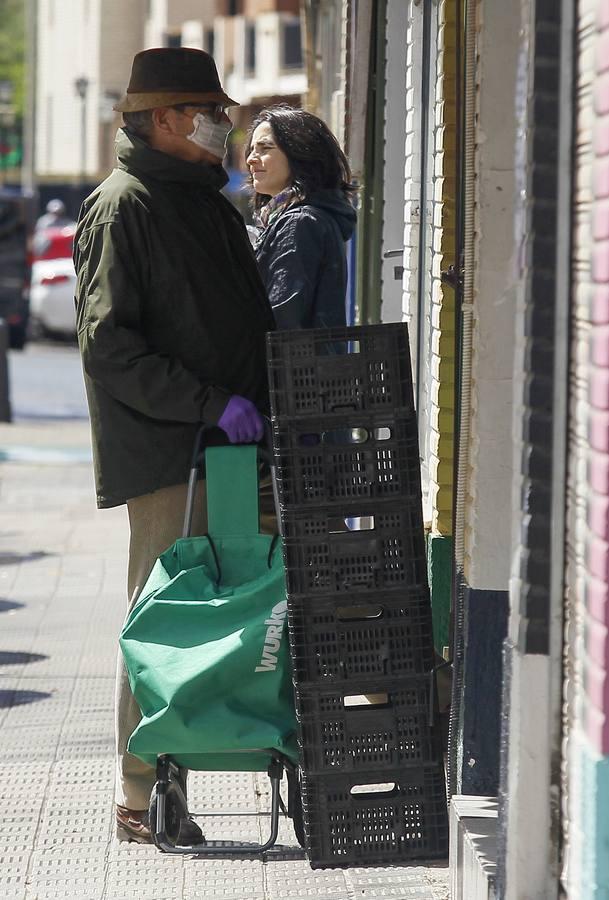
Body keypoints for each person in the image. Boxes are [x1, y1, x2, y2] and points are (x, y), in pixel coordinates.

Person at [73, 47, 276, 845]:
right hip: (171, 454)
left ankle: (181, 769)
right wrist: (207, 404)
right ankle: (138, 791)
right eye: (208, 111)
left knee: (216, 618)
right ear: (162, 118)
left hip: (226, 446)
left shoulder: (200, 200)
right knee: (161, 619)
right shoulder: (126, 204)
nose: (222, 124)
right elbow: (109, 346)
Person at [245, 105, 356, 330]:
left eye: (265, 148)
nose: (251, 159)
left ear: (299, 154)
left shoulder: (300, 223)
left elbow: (282, 317)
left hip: (291, 364)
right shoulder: (305, 217)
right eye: (251, 149)